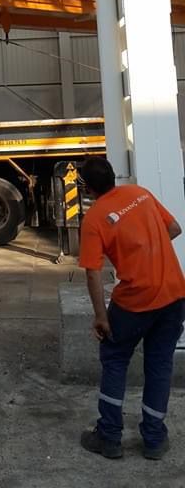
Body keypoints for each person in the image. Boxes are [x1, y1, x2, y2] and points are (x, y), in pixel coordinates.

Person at [78, 155, 185, 461]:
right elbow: (174, 228)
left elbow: (93, 273)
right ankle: (154, 439)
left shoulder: (94, 219)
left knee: (114, 359)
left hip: (135, 302)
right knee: (160, 365)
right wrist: (148, 254)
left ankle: (109, 437)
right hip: (175, 294)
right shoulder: (141, 193)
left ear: (87, 188)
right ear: (114, 176)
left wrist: (101, 317)